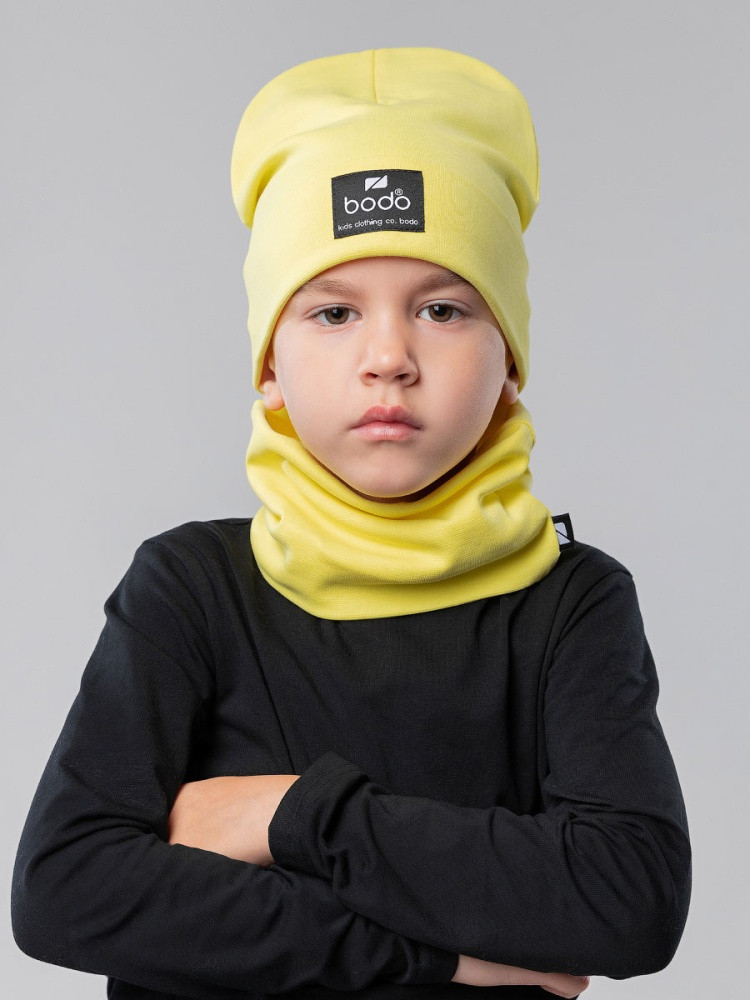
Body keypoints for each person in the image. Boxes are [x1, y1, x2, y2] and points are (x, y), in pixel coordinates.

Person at [11, 47, 691, 1000]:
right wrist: (436, 957)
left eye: (442, 308)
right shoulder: (189, 587)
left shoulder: (571, 601)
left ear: (510, 360)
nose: (388, 357)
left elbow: (628, 899)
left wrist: (290, 815)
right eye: (333, 313)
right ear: (268, 367)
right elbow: (67, 891)